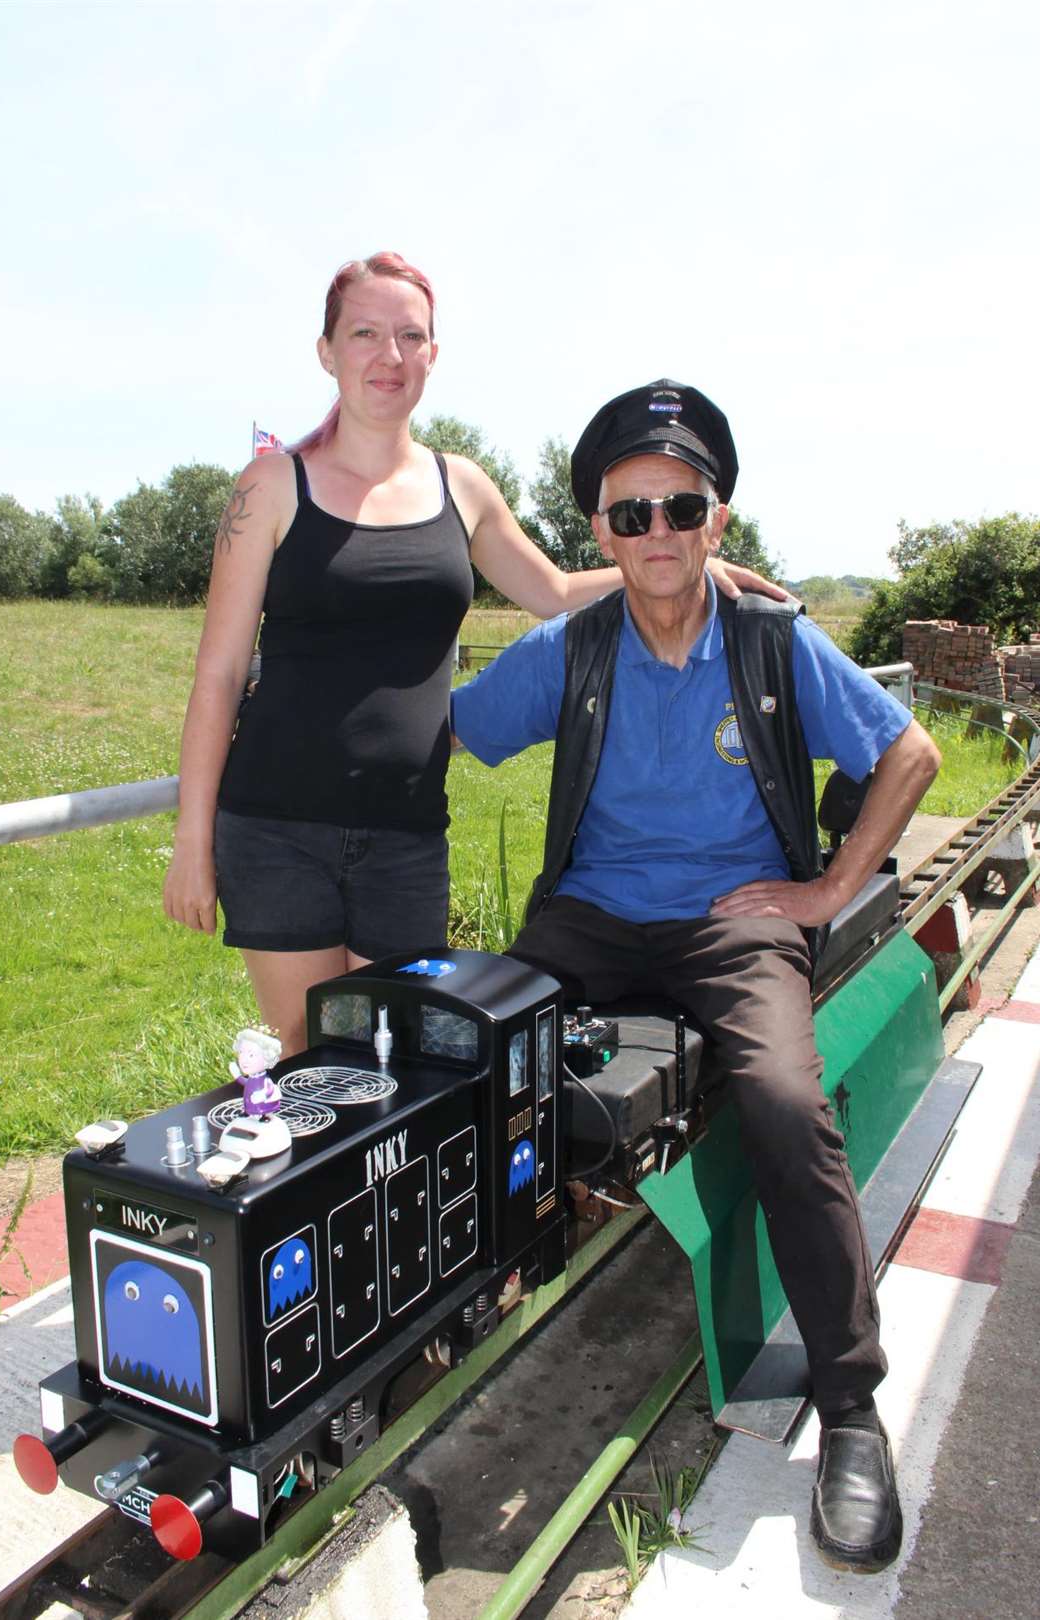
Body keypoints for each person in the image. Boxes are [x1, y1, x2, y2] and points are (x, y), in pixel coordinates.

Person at [451, 378, 941, 1574]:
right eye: (631, 516)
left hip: (735, 925)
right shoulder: (571, 649)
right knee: (461, 1058)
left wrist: (825, 893)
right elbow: (447, 732)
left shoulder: (775, 641)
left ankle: (851, 1410)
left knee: (783, 1102)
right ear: (601, 535)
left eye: (681, 508)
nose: (657, 533)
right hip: (591, 920)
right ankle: (446, 1309)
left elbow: (910, 753)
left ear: (717, 519)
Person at [163, 257, 779, 1057]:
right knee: (311, 1048)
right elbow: (217, 674)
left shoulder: (464, 487)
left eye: (409, 336)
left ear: (432, 354)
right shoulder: (273, 487)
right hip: (279, 826)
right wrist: (192, 841)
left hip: (406, 831)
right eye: (365, 334)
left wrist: (688, 563)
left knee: (404, 1052)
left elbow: (555, 590)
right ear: (326, 351)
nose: (389, 355)